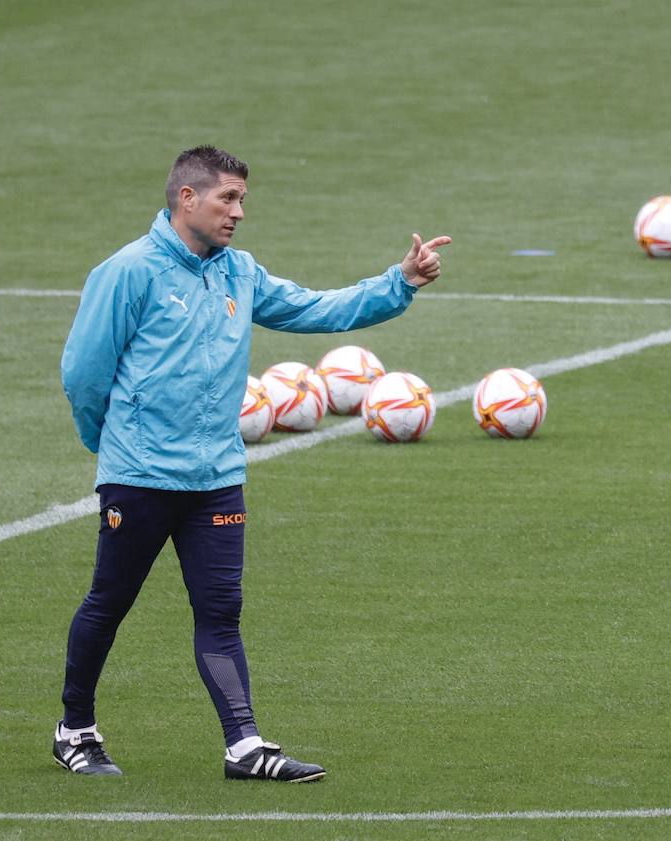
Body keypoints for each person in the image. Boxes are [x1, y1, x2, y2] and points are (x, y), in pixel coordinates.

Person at [56, 145, 450, 781]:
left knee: (221, 613)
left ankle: (244, 745)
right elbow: (84, 373)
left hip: (216, 479)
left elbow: (315, 308)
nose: (239, 212)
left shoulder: (239, 272)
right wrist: (106, 445)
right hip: (141, 477)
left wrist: (398, 282)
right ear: (188, 197)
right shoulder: (129, 272)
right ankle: (75, 729)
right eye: (227, 199)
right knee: (110, 603)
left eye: (242, 200)